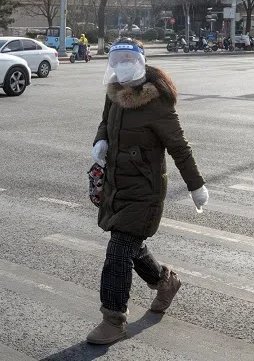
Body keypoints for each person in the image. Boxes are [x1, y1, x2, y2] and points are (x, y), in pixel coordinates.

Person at [86, 38, 208, 345]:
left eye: (128, 59)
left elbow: (179, 147)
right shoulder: (113, 91)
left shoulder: (157, 102)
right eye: (117, 60)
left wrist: (196, 186)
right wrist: (101, 139)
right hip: (116, 185)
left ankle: (113, 320)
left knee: (118, 251)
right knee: (130, 246)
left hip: (145, 191)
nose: (121, 65)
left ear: (140, 61)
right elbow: (106, 121)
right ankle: (165, 282)